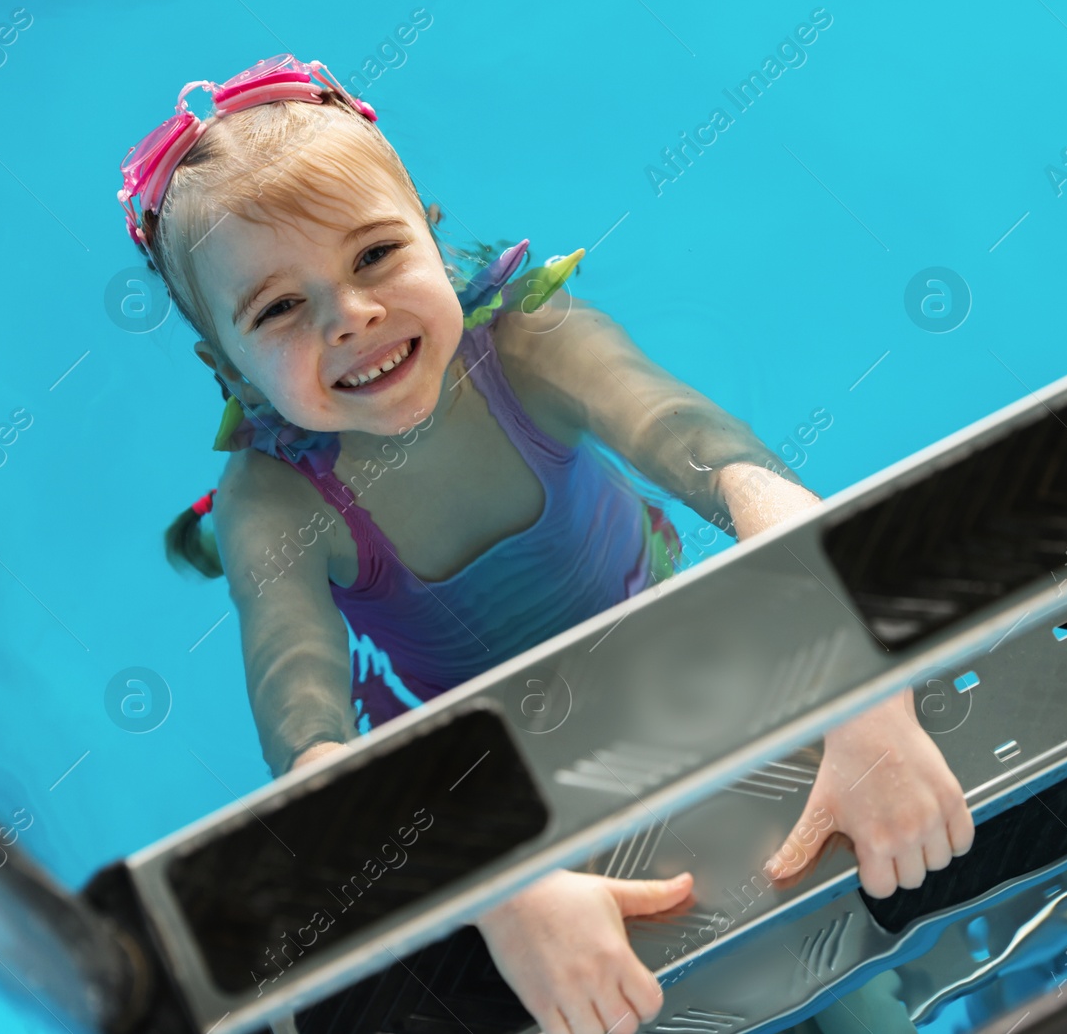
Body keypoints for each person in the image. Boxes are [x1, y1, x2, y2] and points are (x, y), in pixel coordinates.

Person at [123, 54, 975, 1034]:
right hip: (491, 783)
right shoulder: (273, 502)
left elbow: (739, 473)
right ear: (222, 364)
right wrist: (492, 885)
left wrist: (864, 694)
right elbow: (313, 757)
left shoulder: (528, 346)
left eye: (374, 255)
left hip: (681, 668)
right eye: (277, 308)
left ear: (432, 237)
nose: (348, 316)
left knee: (837, 965)